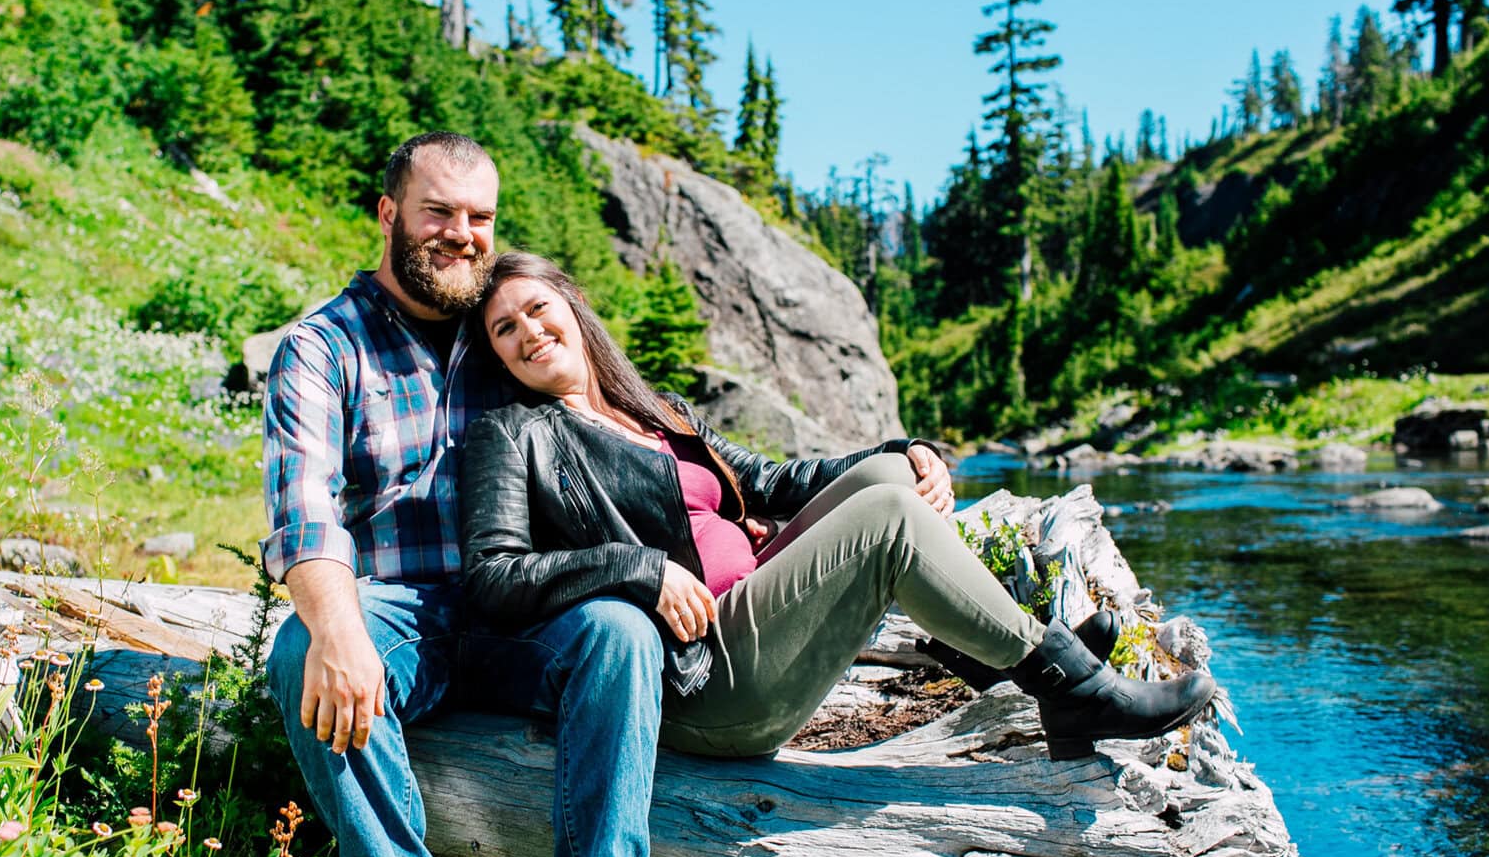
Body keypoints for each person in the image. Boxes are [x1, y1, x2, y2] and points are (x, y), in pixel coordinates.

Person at [462, 252, 1216, 761]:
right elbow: (493, 575)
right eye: (506, 328)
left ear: (574, 304)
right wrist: (638, 567)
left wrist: (911, 446)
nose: (529, 332)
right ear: (496, 355)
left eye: (537, 309)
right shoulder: (514, 432)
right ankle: (1071, 685)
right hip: (707, 678)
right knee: (888, 521)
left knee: (892, 476)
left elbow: (777, 479)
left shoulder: (659, 410)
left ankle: (1007, 662)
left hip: (755, 610)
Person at [261, 133, 671, 857]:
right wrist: (336, 626)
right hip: (396, 608)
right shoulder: (322, 349)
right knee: (302, 649)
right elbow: (303, 510)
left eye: (479, 217)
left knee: (620, 634)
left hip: (518, 605)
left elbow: (622, 421)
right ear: (389, 215)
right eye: (439, 212)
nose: (461, 234)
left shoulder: (507, 330)